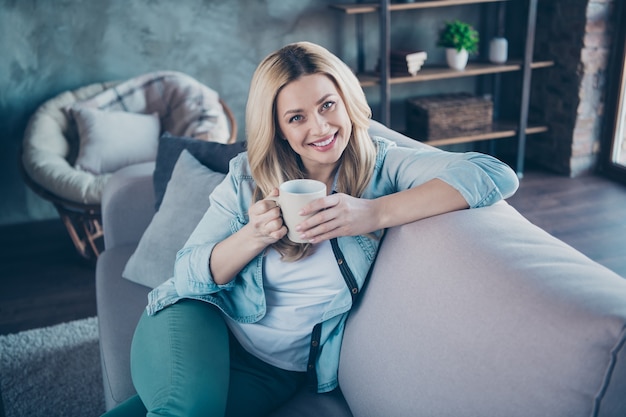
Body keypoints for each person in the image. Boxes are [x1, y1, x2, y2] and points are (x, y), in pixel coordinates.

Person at [102, 41, 519, 417]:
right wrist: (254, 236)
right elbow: (187, 276)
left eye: (327, 105)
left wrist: (372, 214)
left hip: (274, 372)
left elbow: (494, 174)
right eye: (297, 117)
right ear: (278, 127)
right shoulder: (249, 177)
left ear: (347, 99)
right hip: (199, 320)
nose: (319, 128)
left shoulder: (383, 168)